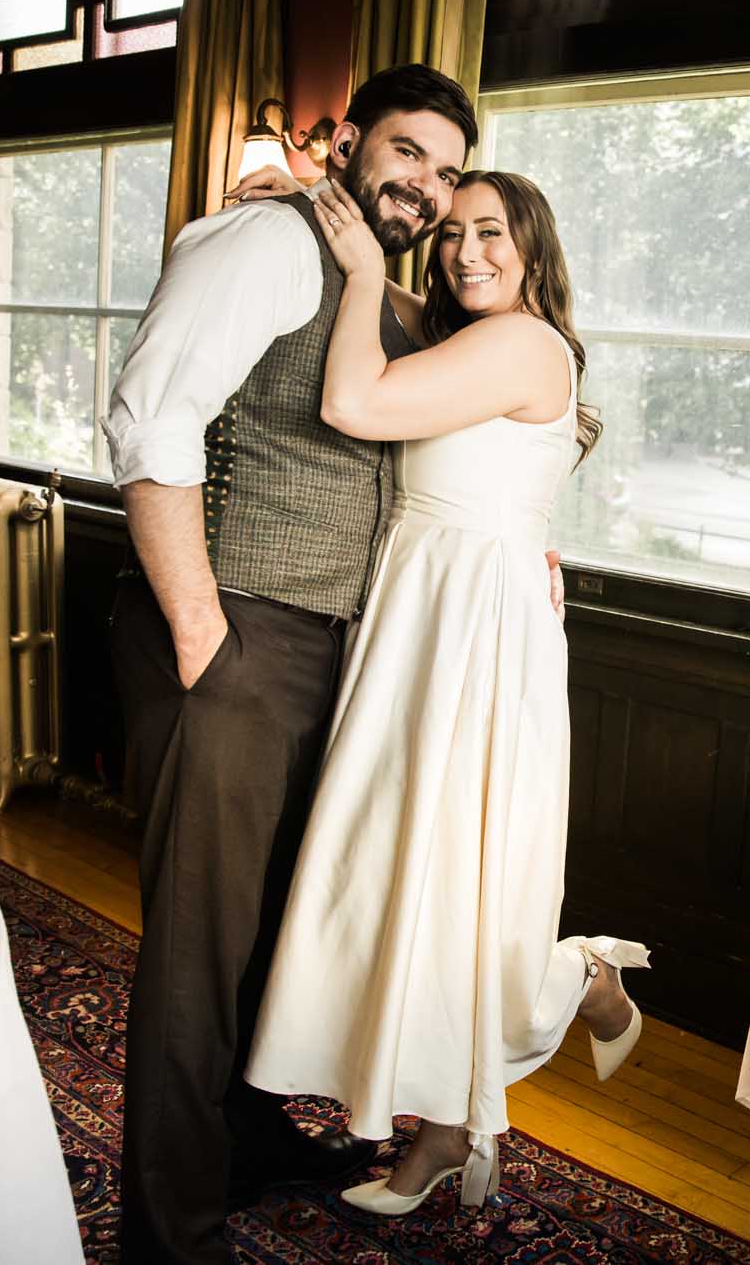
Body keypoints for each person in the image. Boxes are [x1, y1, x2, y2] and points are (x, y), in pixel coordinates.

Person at [100, 64, 560, 1263]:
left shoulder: (395, 296)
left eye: (448, 169)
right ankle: (169, 1228)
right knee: (200, 950)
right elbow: (148, 418)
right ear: (347, 141)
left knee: (271, 927)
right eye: (406, 153)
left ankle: (249, 1143)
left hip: (343, 659)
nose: (424, 185)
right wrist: (202, 632)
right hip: (237, 631)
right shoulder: (262, 239)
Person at [234, 167, 648, 1213]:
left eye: (491, 231)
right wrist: (310, 197)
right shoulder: (480, 331)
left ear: (535, 247)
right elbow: (412, 315)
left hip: (471, 627)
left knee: (456, 873)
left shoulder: (517, 344)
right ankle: (451, 1131)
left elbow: (351, 399)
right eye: (452, 232)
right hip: (430, 605)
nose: (466, 249)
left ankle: (580, 985)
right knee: (413, 867)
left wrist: (366, 261)